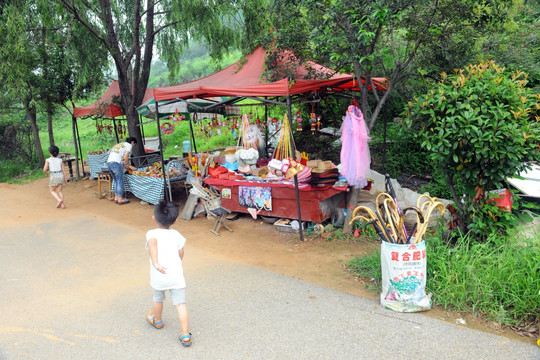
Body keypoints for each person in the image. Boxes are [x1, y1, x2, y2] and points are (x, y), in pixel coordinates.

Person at [145, 201, 192, 347]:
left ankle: (157, 320)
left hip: (159, 275)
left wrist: (156, 263)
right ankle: (185, 334)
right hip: (175, 275)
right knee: (180, 304)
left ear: (154, 218)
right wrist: (178, 261)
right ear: (175, 220)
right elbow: (181, 251)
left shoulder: (151, 233)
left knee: (158, 298)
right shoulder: (176, 235)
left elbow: (152, 243)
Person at [107, 137, 137, 205]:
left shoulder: (120, 144)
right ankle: (120, 199)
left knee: (116, 180)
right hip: (116, 163)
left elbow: (122, 158)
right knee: (120, 180)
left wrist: (126, 166)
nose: (133, 146)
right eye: (134, 144)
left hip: (109, 163)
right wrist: (129, 166)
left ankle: (116, 198)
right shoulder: (128, 145)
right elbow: (126, 157)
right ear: (132, 142)